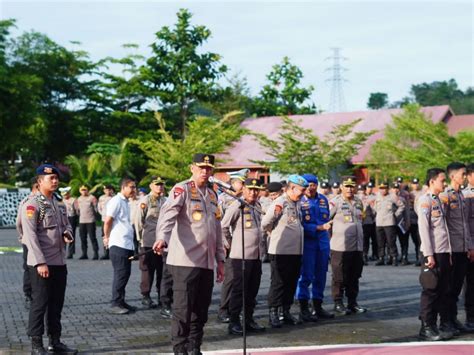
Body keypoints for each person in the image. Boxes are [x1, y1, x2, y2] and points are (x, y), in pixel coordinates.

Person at [153, 154, 225, 355]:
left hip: (206, 261)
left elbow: (216, 230)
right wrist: (162, 238)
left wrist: (221, 259)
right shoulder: (181, 189)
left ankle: (194, 348)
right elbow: (168, 215)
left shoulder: (212, 195)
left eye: (209, 168)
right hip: (185, 260)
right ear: (191, 168)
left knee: (201, 311)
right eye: (201, 167)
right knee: (183, 310)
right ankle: (180, 350)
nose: (205, 171)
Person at [20, 164, 77, 354]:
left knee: (56, 304)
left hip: (59, 262)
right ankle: (37, 345)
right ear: (39, 181)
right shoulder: (33, 204)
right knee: (40, 304)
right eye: (50, 178)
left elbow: (67, 225)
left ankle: (55, 341)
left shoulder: (58, 203)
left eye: (56, 178)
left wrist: (68, 233)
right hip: (41, 264)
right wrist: (40, 262)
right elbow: (29, 235)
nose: (54, 181)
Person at [262, 174, 308, 328]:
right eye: (301, 190)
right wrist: (273, 234)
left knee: (291, 282)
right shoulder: (280, 202)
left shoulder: (297, 203)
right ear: (292, 188)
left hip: (296, 251)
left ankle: (286, 311)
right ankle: (273, 313)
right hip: (280, 250)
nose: (303, 193)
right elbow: (266, 223)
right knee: (278, 282)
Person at [222, 178, 266, 335]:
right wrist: (229, 243)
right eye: (250, 189)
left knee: (252, 290)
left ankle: (248, 319)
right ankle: (234, 321)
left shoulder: (257, 206)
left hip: (256, 256)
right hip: (241, 255)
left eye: (256, 190)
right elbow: (224, 226)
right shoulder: (237, 205)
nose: (253, 192)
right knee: (239, 290)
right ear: (244, 190)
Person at [417, 168, 454, 341]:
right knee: (430, 290)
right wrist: (429, 254)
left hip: (443, 251)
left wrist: (449, 252)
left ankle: (436, 325)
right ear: (432, 181)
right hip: (433, 253)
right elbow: (424, 229)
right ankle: (426, 328)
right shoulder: (425, 201)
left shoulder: (438, 200)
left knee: (442, 290)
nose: (444, 183)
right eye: (442, 180)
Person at [296, 174, 334, 322]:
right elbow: (299, 224)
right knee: (305, 276)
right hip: (308, 242)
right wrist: (317, 227)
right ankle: (303, 308)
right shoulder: (299, 201)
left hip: (322, 243)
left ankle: (317, 306)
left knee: (321, 275)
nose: (311, 187)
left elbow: (326, 220)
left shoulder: (323, 199)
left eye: (314, 184)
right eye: (308, 185)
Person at [439, 162, 472, 335]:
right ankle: (445, 321)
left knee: (457, 287)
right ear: (453, 176)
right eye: (463, 174)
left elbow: (465, 224)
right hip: (451, 249)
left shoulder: (461, 195)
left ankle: (452, 319)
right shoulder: (446, 195)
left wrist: (469, 246)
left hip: (462, 248)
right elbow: (442, 224)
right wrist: (447, 250)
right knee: (448, 288)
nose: (465, 176)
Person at [328, 177, 367, 315]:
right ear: (341, 187)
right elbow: (326, 220)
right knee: (339, 276)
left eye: (352, 186)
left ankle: (352, 302)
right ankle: (338, 302)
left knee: (354, 275)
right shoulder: (335, 202)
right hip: (340, 246)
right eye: (347, 186)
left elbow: (362, 218)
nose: (350, 189)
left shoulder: (358, 201)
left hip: (357, 246)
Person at [103, 177, 137, 315]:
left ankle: (121, 301)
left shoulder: (126, 202)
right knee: (120, 274)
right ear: (123, 187)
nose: (133, 190)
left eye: (134, 187)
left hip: (126, 244)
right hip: (118, 244)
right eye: (131, 187)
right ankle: (115, 303)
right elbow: (108, 220)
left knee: (125, 274)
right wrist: (106, 237)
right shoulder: (116, 201)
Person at [217, 171, 246, 323]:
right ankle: (223, 309)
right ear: (233, 183)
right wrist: (226, 243)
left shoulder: (242, 199)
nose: (244, 185)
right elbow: (220, 224)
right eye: (242, 182)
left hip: (242, 245)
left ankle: (235, 308)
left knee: (240, 278)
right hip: (228, 244)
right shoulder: (223, 199)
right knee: (230, 278)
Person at [134, 177, 167, 309]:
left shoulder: (166, 200)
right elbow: (138, 221)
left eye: (161, 185)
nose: (159, 187)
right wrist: (140, 239)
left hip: (163, 242)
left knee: (163, 270)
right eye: (157, 185)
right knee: (147, 270)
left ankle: (162, 296)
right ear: (151, 186)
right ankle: (146, 296)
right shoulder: (145, 201)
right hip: (148, 241)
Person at [16, 178, 38, 310]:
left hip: (30, 240)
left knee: (30, 267)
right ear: (35, 188)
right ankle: (29, 294)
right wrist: (23, 236)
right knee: (29, 268)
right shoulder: (28, 202)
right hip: (30, 241)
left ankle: (31, 294)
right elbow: (19, 223)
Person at [373, 182, 404, 266]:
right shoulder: (377, 196)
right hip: (379, 222)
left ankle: (394, 258)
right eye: (381, 188)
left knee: (391, 242)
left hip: (389, 222)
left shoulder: (392, 196)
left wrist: (395, 214)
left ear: (387, 189)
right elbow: (375, 207)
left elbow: (401, 206)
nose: (382, 190)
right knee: (380, 242)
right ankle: (381, 258)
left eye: (384, 188)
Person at [462, 163, 474, 332]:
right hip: (472, 245)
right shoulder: (465, 195)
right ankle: (471, 317)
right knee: (471, 283)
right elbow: (463, 224)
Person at [260, 181, 283, 263]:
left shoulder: (283, 202)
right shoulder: (262, 200)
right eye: (271, 195)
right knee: (263, 241)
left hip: (276, 230)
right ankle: (265, 255)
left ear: (281, 192)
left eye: (275, 195)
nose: (273, 197)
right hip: (267, 226)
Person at [76, 185, 99, 260]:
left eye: (85, 190)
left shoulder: (92, 198)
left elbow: (96, 209)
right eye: (82, 190)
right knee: (83, 238)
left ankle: (96, 253)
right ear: (80, 191)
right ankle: (84, 253)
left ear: (88, 190)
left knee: (92, 238)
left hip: (90, 220)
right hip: (82, 221)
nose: (84, 191)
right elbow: (77, 210)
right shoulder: (78, 199)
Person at [392, 182, 411, 265]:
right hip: (391, 223)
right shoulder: (388, 198)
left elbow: (406, 211)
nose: (396, 190)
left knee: (403, 241)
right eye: (394, 188)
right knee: (391, 241)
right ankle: (392, 257)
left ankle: (404, 257)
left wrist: (408, 221)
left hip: (401, 222)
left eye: (397, 188)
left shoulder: (403, 199)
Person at [59, 187, 78, 260]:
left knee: (71, 235)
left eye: (66, 194)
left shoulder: (73, 200)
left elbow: (77, 210)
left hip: (71, 217)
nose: (65, 196)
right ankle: (62, 252)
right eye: (63, 195)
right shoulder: (60, 201)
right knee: (61, 235)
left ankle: (71, 253)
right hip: (62, 218)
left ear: (69, 193)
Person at [361, 181, 377, 263]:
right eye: (368, 187)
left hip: (373, 221)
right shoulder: (361, 197)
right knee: (365, 239)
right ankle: (364, 254)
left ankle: (375, 254)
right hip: (365, 221)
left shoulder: (375, 196)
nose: (370, 189)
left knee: (375, 239)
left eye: (371, 187)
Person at [98, 184, 115, 260]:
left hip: (113, 220)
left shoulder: (115, 198)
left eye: (109, 190)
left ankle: (113, 253)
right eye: (105, 190)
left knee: (113, 236)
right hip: (104, 219)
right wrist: (104, 215)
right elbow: (99, 208)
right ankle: (106, 253)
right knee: (105, 236)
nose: (107, 191)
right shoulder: (101, 198)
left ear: (112, 190)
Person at [409, 178, 423, 266]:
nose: (416, 185)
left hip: (420, 220)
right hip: (411, 220)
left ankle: (420, 258)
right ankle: (417, 257)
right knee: (415, 241)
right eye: (414, 183)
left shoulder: (423, 193)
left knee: (420, 241)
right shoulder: (408, 194)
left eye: (417, 183)